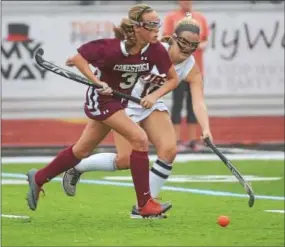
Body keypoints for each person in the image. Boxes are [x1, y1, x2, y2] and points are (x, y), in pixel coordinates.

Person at [25, 4, 179, 218]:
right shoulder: (111, 48)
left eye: (157, 23)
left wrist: (153, 96)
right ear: (136, 28)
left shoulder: (155, 50)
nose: (157, 28)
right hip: (101, 99)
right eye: (151, 24)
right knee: (140, 139)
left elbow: (173, 79)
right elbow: (78, 58)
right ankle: (145, 204)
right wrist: (98, 82)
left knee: (81, 151)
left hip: (118, 101)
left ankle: (39, 177)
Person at [62, 14, 212, 219]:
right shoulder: (152, 49)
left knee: (169, 150)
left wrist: (205, 128)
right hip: (124, 104)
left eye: (193, 45)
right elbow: (117, 55)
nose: (187, 49)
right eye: (184, 42)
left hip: (150, 104)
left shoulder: (190, 67)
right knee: (125, 160)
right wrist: (93, 68)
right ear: (173, 37)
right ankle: (77, 166)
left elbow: (198, 101)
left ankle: (143, 208)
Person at [163, 0, 209, 151]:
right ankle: (176, 140)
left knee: (193, 105)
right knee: (177, 105)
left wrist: (198, 45)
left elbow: (206, 40)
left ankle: (193, 139)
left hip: (196, 68)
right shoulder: (172, 17)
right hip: (177, 69)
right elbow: (167, 39)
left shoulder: (200, 18)